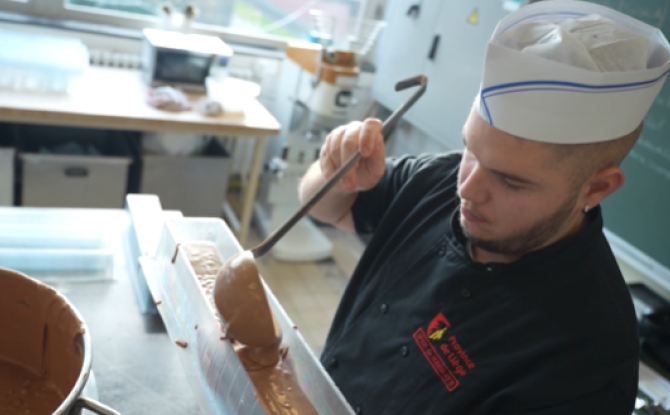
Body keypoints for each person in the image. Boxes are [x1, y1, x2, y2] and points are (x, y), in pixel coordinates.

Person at [298, 1, 670, 414]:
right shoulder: (438, 179)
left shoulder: (587, 361)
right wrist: (334, 170)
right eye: (471, 151)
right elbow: (330, 208)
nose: (468, 189)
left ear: (596, 188)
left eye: (510, 181)